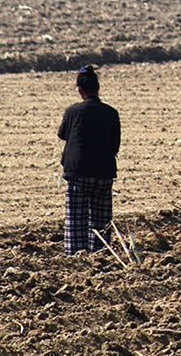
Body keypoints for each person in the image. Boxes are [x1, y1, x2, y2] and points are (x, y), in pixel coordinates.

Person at [57, 66, 121, 256]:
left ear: (79, 89)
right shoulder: (111, 112)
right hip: (103, 173)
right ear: (98, 87)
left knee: (76, 219)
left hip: (78, 172)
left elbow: (62, 135)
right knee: (101, 221)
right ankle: (100, 254)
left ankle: (76, 256)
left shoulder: (72, 111)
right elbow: (115, 145)